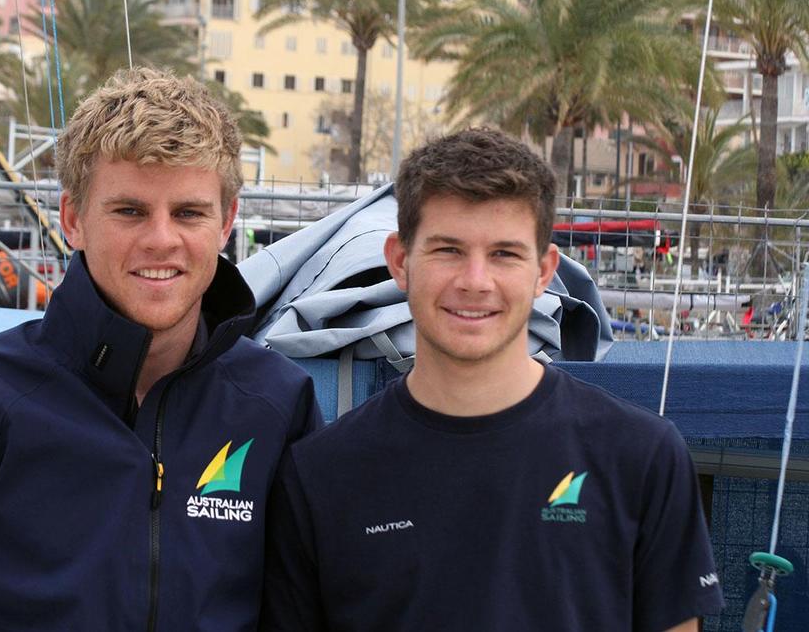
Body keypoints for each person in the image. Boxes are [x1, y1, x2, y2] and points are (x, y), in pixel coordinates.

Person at [0, 68, 322, 631]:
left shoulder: (277, 404)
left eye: (189, 213)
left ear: (226, 222)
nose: (161, 238)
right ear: (72, 219)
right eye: (129, 211)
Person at [259, 128, 724, 632]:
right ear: (399, 261)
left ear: (544, 270)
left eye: (504, 253)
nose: (475, 281)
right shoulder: (320, 475)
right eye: (448, 250)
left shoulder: (643, 457)